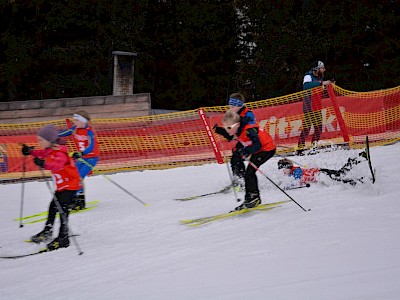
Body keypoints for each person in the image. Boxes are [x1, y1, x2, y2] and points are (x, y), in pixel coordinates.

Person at [21, 125, 81, 250]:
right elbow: (41, 152)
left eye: (41, 140)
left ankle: (63, 238)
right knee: (53, 207)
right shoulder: (49, 149)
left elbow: (57, 165)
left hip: (70, 185)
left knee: (63, 210)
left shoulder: (60, 153)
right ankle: (47, 231)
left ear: (50, 140)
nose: (39, 143)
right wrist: (30, 151)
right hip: (62, 185)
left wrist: (43, 163)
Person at [222, 108, 276, 210]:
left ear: (237, 124)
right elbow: (240, 140)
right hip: (259, 151)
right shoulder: (238, 130)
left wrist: (246, 151)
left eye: (228, 127)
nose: (227, 130)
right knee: (248, 174)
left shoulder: (249, 130)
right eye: (225, 128)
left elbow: (257, 145)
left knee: (250, 173)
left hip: (267, 150)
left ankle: (254, 198)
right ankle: (250, 198)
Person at [59, 111, 99, 210]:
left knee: (78, 178)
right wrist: (52, 135)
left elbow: (91, 146)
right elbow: (65, 133)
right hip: (82, 158)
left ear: (83, 121)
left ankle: (75, 199)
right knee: (73, 176)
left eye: (76, 120)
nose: (74, 122)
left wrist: (81, 153)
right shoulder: (75, 129)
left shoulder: (89, 131)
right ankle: (79, 199)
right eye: (74, 120)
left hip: (91, 158)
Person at [213, 93, 256, 187]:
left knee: (237, 158)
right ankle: (238, 180)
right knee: (234, 160)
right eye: (229, 106)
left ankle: (242, 181)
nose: (230, 108)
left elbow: (249, 127)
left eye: (232, 106)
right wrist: (222, 131)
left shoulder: (247, 113)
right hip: (242, 141)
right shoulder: (234, 114)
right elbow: (232, 134)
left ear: (238, 105)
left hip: (252, 140)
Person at [297, 61, 334, 154]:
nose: (324, 70)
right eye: (322, 68)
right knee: (307, 127)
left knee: (318, 128)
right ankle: (300, 148)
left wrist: (328, 85)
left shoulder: (319, 78)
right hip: (309, 105)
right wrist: (321, 83)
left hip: (317, 105)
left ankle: (314, 146)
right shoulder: (308, 76)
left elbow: (320, 88)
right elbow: (306, 86)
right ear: (316, 69)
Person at [277, 152, 367, 186]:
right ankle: (357, 178)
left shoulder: (296, 171)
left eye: (283, 169)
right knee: (340, 175)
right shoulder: (291, 173)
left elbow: (296, 181)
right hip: (320, 173)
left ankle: (356, 160)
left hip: (322, 174)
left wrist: (286, 186)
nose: (282, 172)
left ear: (288, 167)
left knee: (340, 175)